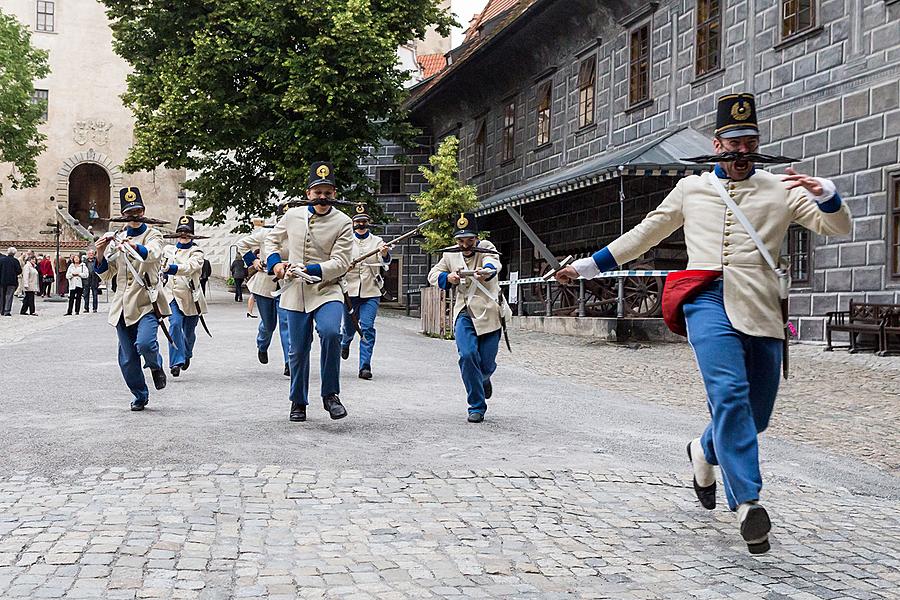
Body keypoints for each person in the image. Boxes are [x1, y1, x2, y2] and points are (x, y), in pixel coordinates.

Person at [555, 93, 852, 554]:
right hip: (705, 299)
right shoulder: (693, 189)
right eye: (732, 143)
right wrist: (588, 267)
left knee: (756, 413)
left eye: (748, 142)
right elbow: (646, 233)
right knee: (729, 394)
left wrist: (827, 196)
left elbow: (838, 229)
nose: (740, 151)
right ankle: (748, 503)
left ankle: (703, 451)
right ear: (717, 145)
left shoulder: (782, 189)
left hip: (762, 306)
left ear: (757, 144)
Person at [266, 161, 353, 422]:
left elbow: (341, 262)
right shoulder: (292, 215)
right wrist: (276, 263)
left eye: (327, 192)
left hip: (327, 289)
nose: (322, 197)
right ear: (308, 194)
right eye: (317, 192)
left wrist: (312, 268)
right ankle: (298, 401)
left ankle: (330, 395)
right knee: (298, 349)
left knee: (330, 332)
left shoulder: (344, 222)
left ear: (334, 194)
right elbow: (271, 239)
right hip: (295, 291)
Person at [94, 187, 171, 411]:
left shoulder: (154, 235)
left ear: (143, 211)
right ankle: (140, 395)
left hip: (146, 302)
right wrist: (100, 251)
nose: (134, 216)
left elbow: (153, 255)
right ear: (124, 215)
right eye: (129, 213)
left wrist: (134, 245)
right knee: (127, 359)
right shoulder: (116, 237)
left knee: (146, 343)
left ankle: (156, 366)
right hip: (121, 306)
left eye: (137, 211)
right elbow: (108, 273)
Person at [427, 213, 508, 424]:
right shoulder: (449, 255)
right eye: (461, 240)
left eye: (470, 239)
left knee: (487, 362)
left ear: (476, 237)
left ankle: (484, 378)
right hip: (465, 311)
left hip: (490, 310)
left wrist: (487, 271)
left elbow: (494, 263)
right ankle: (476, 406)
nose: (465, 244)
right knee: (467, 354)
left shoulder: (487, 246)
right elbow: (433, 275)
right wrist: (448, 277)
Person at [340, 204, 391, 380]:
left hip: (371, 290)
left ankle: (365, 366)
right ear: (353, 224)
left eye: (364, 221)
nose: (361, 225)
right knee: (349, 328)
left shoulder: (377, 242)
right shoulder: (345, 241)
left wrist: (384, 254)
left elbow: (384, 263)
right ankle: (345, 342)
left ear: (368, 223)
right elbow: (338, 262)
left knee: (367, 327)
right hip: (349, 292)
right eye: (358, 222)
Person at [236, 214, 291, 377]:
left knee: (286, 323)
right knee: (269, 324)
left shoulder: (298, 234)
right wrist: (253, 261)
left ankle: (290, 362)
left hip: (288, 284)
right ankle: (262, 344)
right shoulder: (266, 233)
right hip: (265, 283)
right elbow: (242, 244)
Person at [161, 216, 209, 377]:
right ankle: (176, 362)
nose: (183, 235)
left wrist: (172, 268)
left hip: (190, 298)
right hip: (171, 295)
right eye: (181, 232)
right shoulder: (168, 250)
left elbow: (190, 267)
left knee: (189, 333)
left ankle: (186, 354)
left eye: (187, 232)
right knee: (174, 324)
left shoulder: (197, 252)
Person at [0, 247, 22, 316]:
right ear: (14, 253)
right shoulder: (15, 261)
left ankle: (2, 310)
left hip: (2, 281)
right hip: (12, 281)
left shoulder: (2, 260)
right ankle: (7, 311)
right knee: (9, 296)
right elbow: (19, 271)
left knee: (2, 296)